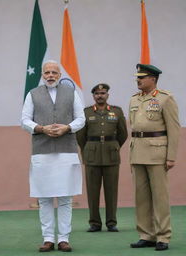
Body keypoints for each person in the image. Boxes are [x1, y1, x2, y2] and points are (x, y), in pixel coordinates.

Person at [21, 60, 85, 252]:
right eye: (47, 72)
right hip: (42, 151)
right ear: (42, 75)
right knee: (44, 197)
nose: (50, 75)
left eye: (54, 73)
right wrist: (40, 128)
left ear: (59, 75)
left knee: (66, 197)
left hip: (67, 151)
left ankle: (64, 238)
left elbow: (81, 118)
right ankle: (48, 238)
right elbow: (24, 120)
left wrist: (68, 127)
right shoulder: (32, 94)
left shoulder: (71, 93)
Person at [129, 64, 180, 251]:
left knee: (160, 197)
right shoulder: (134, 100)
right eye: (137, 77)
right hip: (138, 152)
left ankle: (163, 236)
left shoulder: (165, 99)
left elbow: (174, 130)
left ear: (153, 79)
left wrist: (171, 156)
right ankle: (146, 235)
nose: (138, 80)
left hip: (157, 153)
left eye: (142, 77)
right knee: (141, 198)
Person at [76, 83, 128, 233]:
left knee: (112, 191)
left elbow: (123, 134)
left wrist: (115, 146)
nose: (100, 95)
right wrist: (87, 150)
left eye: (103, 93)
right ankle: (95, 223)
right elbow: (80, 136)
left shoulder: (116, 112)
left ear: (108, 95)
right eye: (97, 93)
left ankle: (111, 222)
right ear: (93, 96)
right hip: (92, 155)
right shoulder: (86, 112)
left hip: (111, 155)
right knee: (92, 191)